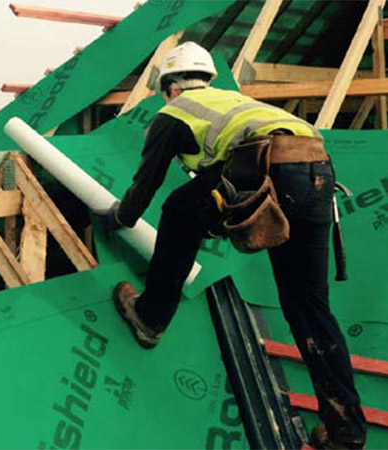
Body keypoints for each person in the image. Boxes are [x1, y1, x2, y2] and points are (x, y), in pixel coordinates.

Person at [99, 41, 366, 449]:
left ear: (170, 86)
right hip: (318, 171)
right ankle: (346, 432)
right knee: (309, 306)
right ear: (207, 79)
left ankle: (150, 317)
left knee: (178, 209)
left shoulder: (173, 114)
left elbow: (145, 185)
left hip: (270, 169)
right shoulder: (234, 101)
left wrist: (117, 216)